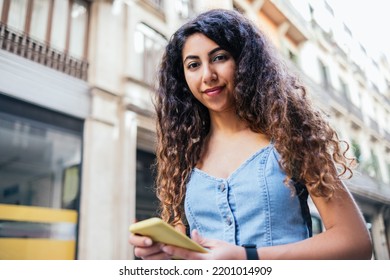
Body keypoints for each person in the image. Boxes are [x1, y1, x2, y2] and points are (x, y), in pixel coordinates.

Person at [129, 9, 372, 260]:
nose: (207, 75)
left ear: (245, 61)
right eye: (193, 65)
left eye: (219, 57)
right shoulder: (182, 156)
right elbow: (188, 257)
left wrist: (247, 257)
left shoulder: (292, 137)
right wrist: (164, 256)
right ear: (183, 77)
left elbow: (355, 241)